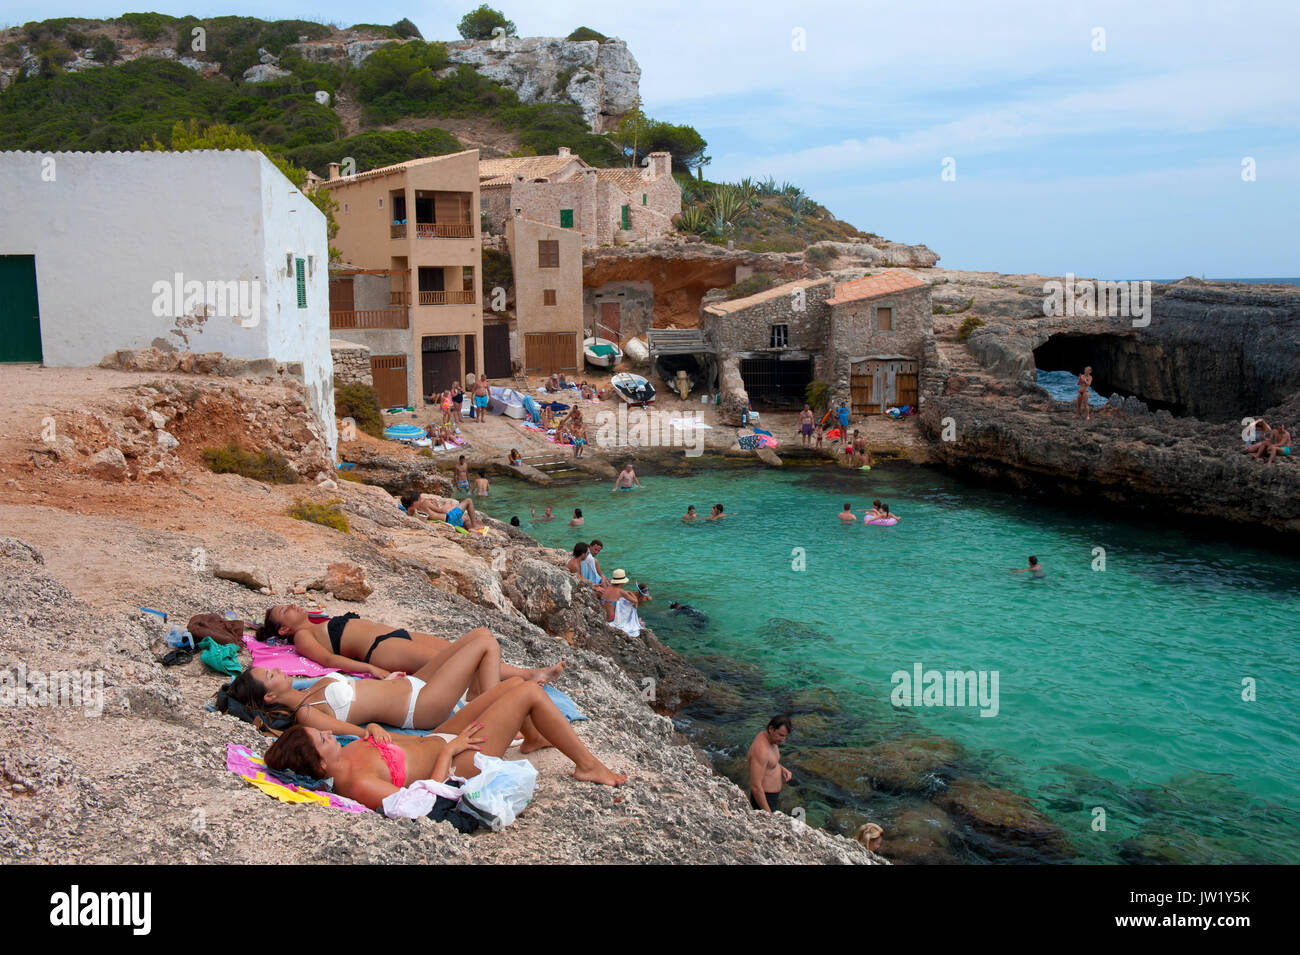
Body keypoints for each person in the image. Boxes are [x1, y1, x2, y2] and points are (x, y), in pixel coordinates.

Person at [264, 676, 626, 812]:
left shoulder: (343, 754)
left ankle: (532, 738)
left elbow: (367, 732)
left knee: (509, 687)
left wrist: (373, 726)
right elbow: (423, 802)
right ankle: (588, 766)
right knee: (529, 692)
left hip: (440, 738)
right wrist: (450, 753)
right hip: (458, 762)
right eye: (323, 739)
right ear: (321, 766)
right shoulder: (359, 784)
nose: (330, 735)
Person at [256, 605, 564, 686]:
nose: (293, 606)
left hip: (396, 635)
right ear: (284, 628)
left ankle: (525, 673)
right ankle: (525, 677)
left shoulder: (315, 621)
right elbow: (325, 660)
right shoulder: (301, 636)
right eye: (286, 611)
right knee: (457, 662)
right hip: (381, 650)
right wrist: (371, 669)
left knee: (459, 650)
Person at [747, 715, 793, 812]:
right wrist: (768, 816)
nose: (783, 740)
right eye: (781, 735)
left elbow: (769, 761)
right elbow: (755, 786)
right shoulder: (761, 750)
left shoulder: (770, 740)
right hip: (764, 799)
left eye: (785, 736)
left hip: (771, 797)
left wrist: (781, 768)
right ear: (771, 729)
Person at [595, 570, 645, 636]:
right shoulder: (621, 591)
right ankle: (634, 621)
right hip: (611, 619)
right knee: (631, 605)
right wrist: (630, 592)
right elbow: (635, 601)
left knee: (622, 601)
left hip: (604, 616)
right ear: (622, 582)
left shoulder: (608, 588)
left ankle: (635, 620)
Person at [402, 491, 481, 530]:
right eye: (420, 498)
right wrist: (447, 503)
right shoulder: (425, 503)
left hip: (448, 521)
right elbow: (442, 511)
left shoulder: (410, 510)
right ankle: (474, 526)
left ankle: (470, 528)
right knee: (468, 501)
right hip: (450, 518)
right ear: (415, 501)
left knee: (464, 519)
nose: (421, 499)